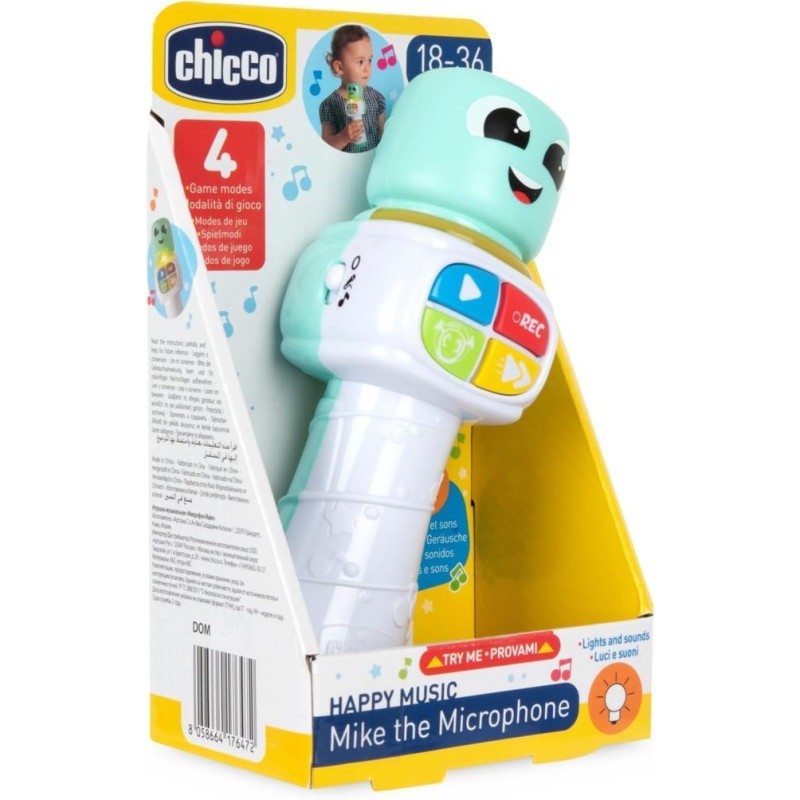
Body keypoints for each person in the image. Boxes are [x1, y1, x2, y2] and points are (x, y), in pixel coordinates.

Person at [319, 25, 386, 153]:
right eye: (360, 62)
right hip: (345, 164)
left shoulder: (377, 98)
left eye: (369, 60)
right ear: (340, 68)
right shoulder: (329, 104)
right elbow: (325, 147)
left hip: (372, 163)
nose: (367, 68)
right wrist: (343, 137)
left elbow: (384, 135)